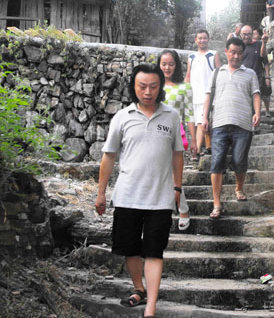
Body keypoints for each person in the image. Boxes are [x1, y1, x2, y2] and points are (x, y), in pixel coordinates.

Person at [95, 63, 183, 318]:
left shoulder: (171, 116)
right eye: (142, 86)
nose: (147, 92)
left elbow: (178, 154)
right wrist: (101, 192)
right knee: (130, 248)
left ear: (160, 87)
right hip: (127, 195)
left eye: (153, 86)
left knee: (154, 251)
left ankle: (151, 306)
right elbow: (109, 156)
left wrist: (177, 187)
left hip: (160, 198)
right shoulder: (122, 117)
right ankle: (138, 288)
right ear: (133, 87)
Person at [202, 38, 261, 218]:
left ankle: (239, 188)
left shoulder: (250, 73)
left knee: (239, 160)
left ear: (243, 54)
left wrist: (257, 113)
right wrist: (204, 117)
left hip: (243, 124)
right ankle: (216, 204)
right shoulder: (217, 73)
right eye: (232, 52)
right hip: (219, 123)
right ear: (226, 52)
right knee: (216, 162)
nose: (236, 56)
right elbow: (208, 95)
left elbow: (256, 94)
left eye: (239, 53)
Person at [157, 49, 195, 231]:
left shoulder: (184, 87)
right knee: (160, 173)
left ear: (176, 66)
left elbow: (189, 115)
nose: (167, 67)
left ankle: (183, 209)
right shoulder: (153, 85)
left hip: (174, 135)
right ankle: (177, 208)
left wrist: (194, 140)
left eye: (171, 64)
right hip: (155, 134)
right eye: (163, 64)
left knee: (173, 174)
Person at [185, 29, 221, 157]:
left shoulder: (213, 54)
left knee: (201, 122)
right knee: (197, 124)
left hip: (208, 95)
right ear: (196, 40)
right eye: (200, 38)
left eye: (205, 38)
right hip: (194, 94)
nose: (202, 40)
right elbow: (188, 75)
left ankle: (196, 150)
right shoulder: (191, 57)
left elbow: (219, 73)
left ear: (208, 39)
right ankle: (207, 146)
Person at [242, 25, 271, 116]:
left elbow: (264, 59)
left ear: (252, 34)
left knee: (256, 100)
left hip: (257, 78)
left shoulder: (258, 44)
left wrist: (267, 77)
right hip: (242, 78)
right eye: (244, 34)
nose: (246, 36)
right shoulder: (239, 46)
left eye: (249, 34)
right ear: (240, 34)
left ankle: (256, 119)